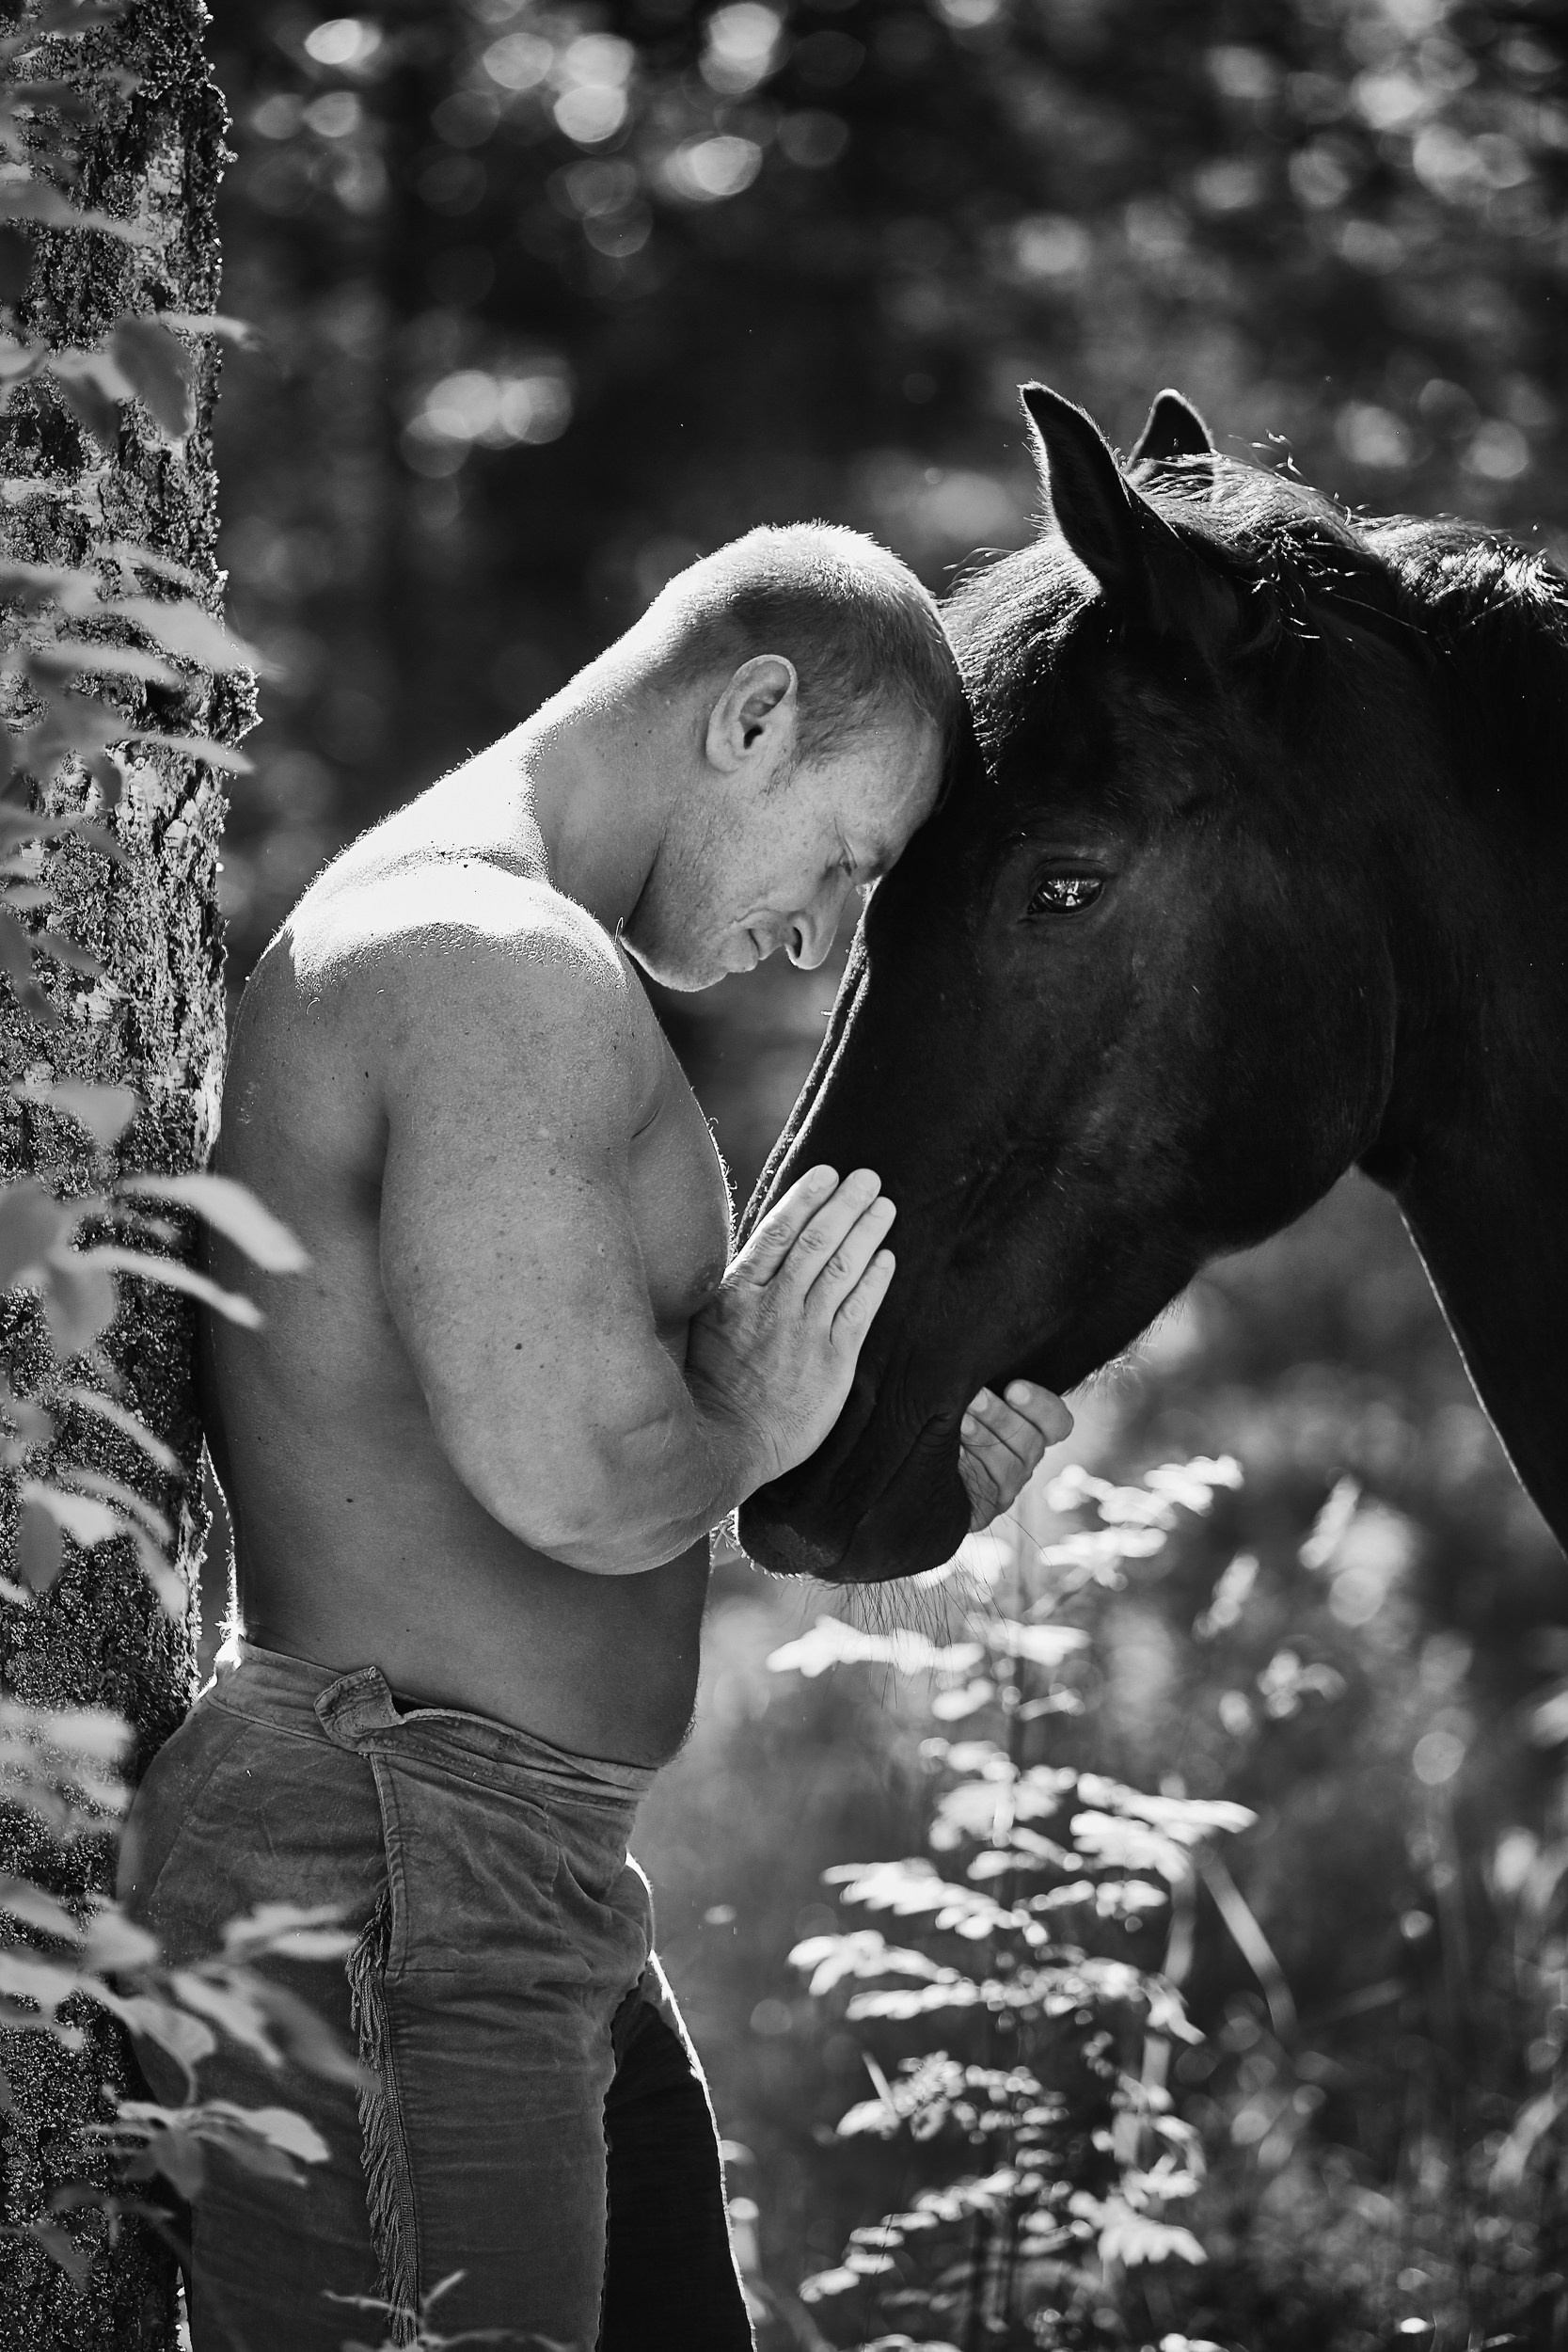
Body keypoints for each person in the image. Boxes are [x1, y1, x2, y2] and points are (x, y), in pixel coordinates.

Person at [119, 524, 1073, 2350]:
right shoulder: (488, 962)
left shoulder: (518, 959)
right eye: (847, 860)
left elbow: (556, 1476)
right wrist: (753, 1406)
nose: (818, 938)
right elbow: (573, 1478)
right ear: (753, 715)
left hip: (498, 1873)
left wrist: (885, 1483)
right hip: (396, 1866)